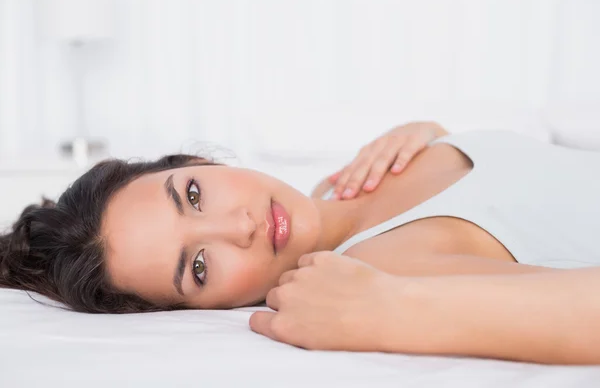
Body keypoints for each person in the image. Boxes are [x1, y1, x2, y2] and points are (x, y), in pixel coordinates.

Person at [1, 121, 600, 364]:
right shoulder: (382, 265)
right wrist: (394, 313)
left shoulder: (344, 180)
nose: (241, 227)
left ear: (199, 161)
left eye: (193, 194)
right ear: (203, 309)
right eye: (201, 267)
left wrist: (436, 134)